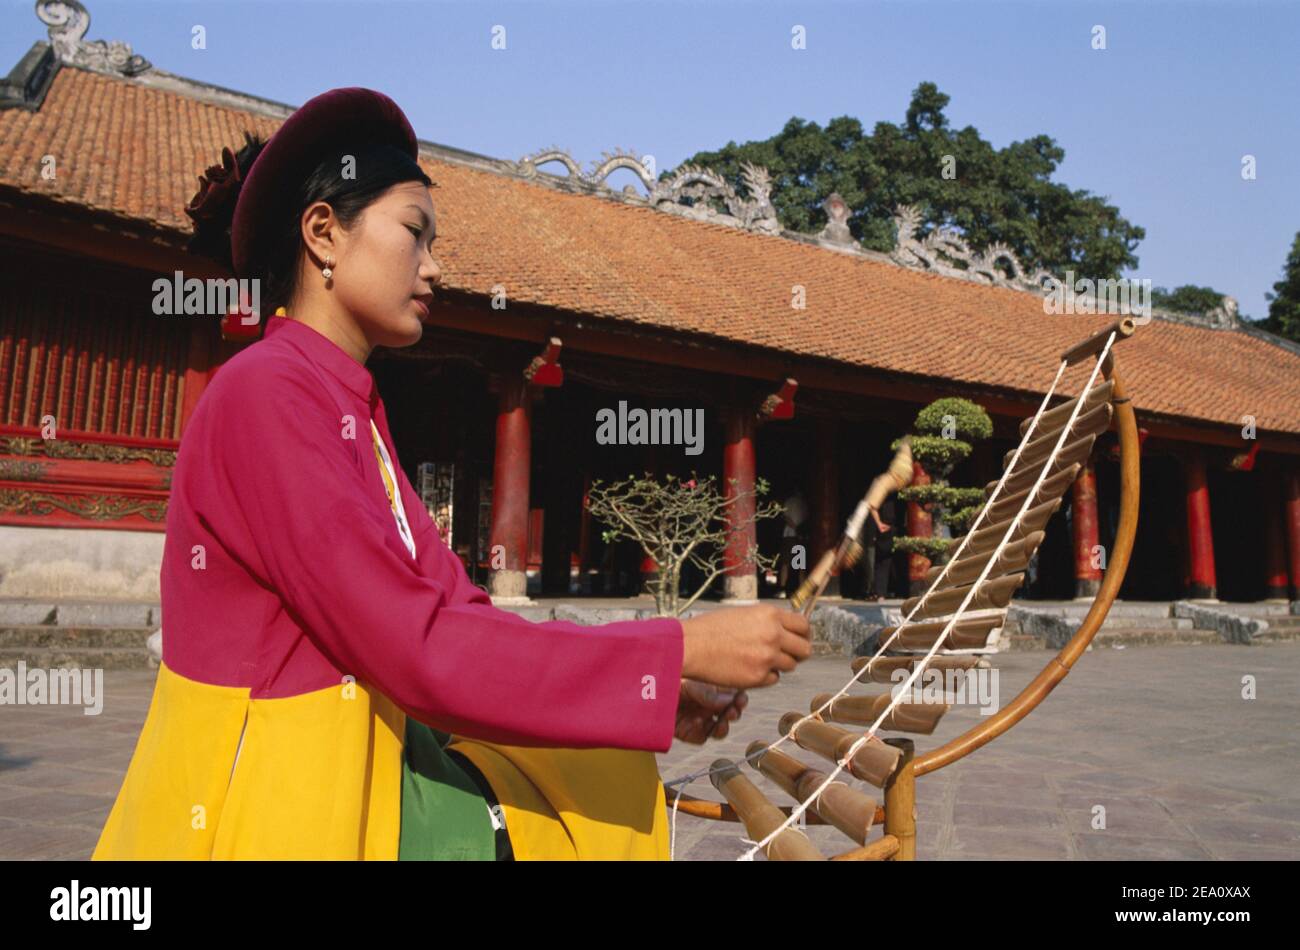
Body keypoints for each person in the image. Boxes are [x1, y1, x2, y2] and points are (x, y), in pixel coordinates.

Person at [92, 87, 810, 861]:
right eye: (415, 234)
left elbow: (461, 613)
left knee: (601, 771)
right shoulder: (266, 394)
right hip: (276, 798)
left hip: (359, 760)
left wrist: (654, 690)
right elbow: (416, 647)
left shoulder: (349, 407)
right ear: (324, 233)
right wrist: (679, 647)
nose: (434, 270)